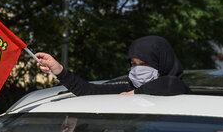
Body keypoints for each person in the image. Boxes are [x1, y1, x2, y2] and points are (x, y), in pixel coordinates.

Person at [35, 35, 190, 96]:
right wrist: (60, 71)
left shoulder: (182, 92)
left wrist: (137, 93)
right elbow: (89, 90)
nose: (137, 69)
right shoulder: (128, 88)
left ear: (162, 63)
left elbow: (173, 84)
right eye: (133, 64)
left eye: (143, 64)